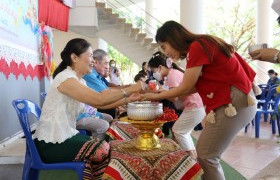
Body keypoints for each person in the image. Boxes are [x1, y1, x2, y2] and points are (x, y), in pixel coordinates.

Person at [142, 21, 257, 180]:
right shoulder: (202, 44)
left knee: (206, 155)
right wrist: (162, 93)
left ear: (173, 38)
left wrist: (154, 96)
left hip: (233, 102)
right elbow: (194, 86)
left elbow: (186, 88)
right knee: (206, 154)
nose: (166, 53)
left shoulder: (197, 46)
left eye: (164, 47)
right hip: (237, 100)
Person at [33, 38, 142, 179]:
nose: (93, 60)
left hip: (66, 135)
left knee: (105, 149)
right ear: (74, 57)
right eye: (90, 56)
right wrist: (131, 89)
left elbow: (100, 104)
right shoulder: (65, 79)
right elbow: (100, 99)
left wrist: (128, 99)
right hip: (51, 142)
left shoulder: (79, 81)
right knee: (102, 149)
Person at [148, 51, 205, 158]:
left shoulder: (172, 75)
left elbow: (174, 97)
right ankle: (193, 158)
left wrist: (160, 94)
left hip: (194, 107)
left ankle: (191, 160)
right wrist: (163, 91)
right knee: (184, 132)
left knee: (178, 131)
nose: (153, 73)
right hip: (196, 106)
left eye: (153, 70)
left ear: (160, 67)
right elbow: (173, 91)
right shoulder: (173, 73)